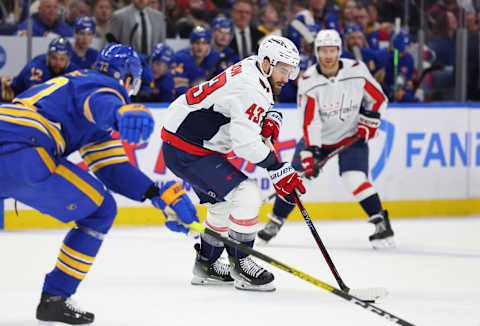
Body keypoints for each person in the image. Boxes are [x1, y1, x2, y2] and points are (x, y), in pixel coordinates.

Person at [0, 43, 199, 325]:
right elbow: (101, 100)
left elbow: (112, 169)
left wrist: (157, 194)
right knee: (100, 211)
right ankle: (56, 298)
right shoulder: (103, 88)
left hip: (11, 130)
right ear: (128, 79)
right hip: (25, 145)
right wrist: (120, 113)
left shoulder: (76, 92)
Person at [161, 35, 305, 291]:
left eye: (291, 71)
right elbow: (245, 143)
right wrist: (277, 168)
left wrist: (269, 119)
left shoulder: (254, 66)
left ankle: (207, 264)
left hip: (187, 142)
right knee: (247, 193)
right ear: (268, 63)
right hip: (189, 148)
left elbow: (246, 107)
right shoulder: (251, 86)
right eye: (284, 70)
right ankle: (242, 264)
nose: (287, 78)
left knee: (221, 205)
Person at [258, 30, 395, 249]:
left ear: (339, 51)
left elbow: (378, 99)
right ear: (316, 52)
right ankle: (275, 222)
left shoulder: (357, 71)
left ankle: (381, 223)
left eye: (332, 50)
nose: (328, 55)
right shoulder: (309, 80)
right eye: (323, 51)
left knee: (355, 179)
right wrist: (311, 151)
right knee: (295, 181)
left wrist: (370, 120)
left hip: (351, 136)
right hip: (318, 140)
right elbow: (310, 120)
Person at [1, 37, 78, 101]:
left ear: (68, 60)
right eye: (54, 58)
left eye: (62, 59)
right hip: (8, 95)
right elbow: (35, 94)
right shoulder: (38, 65)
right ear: (48, 56)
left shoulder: (73, 69)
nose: (58, 62)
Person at [171, 26, 221, 98]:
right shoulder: (180, 58)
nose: (200, 47)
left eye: (204, 43)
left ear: (209, 45)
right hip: (185, 102)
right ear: (191, 44)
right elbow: (180, 89)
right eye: (197, 43)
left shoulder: (215, 58)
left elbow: (222, 85)